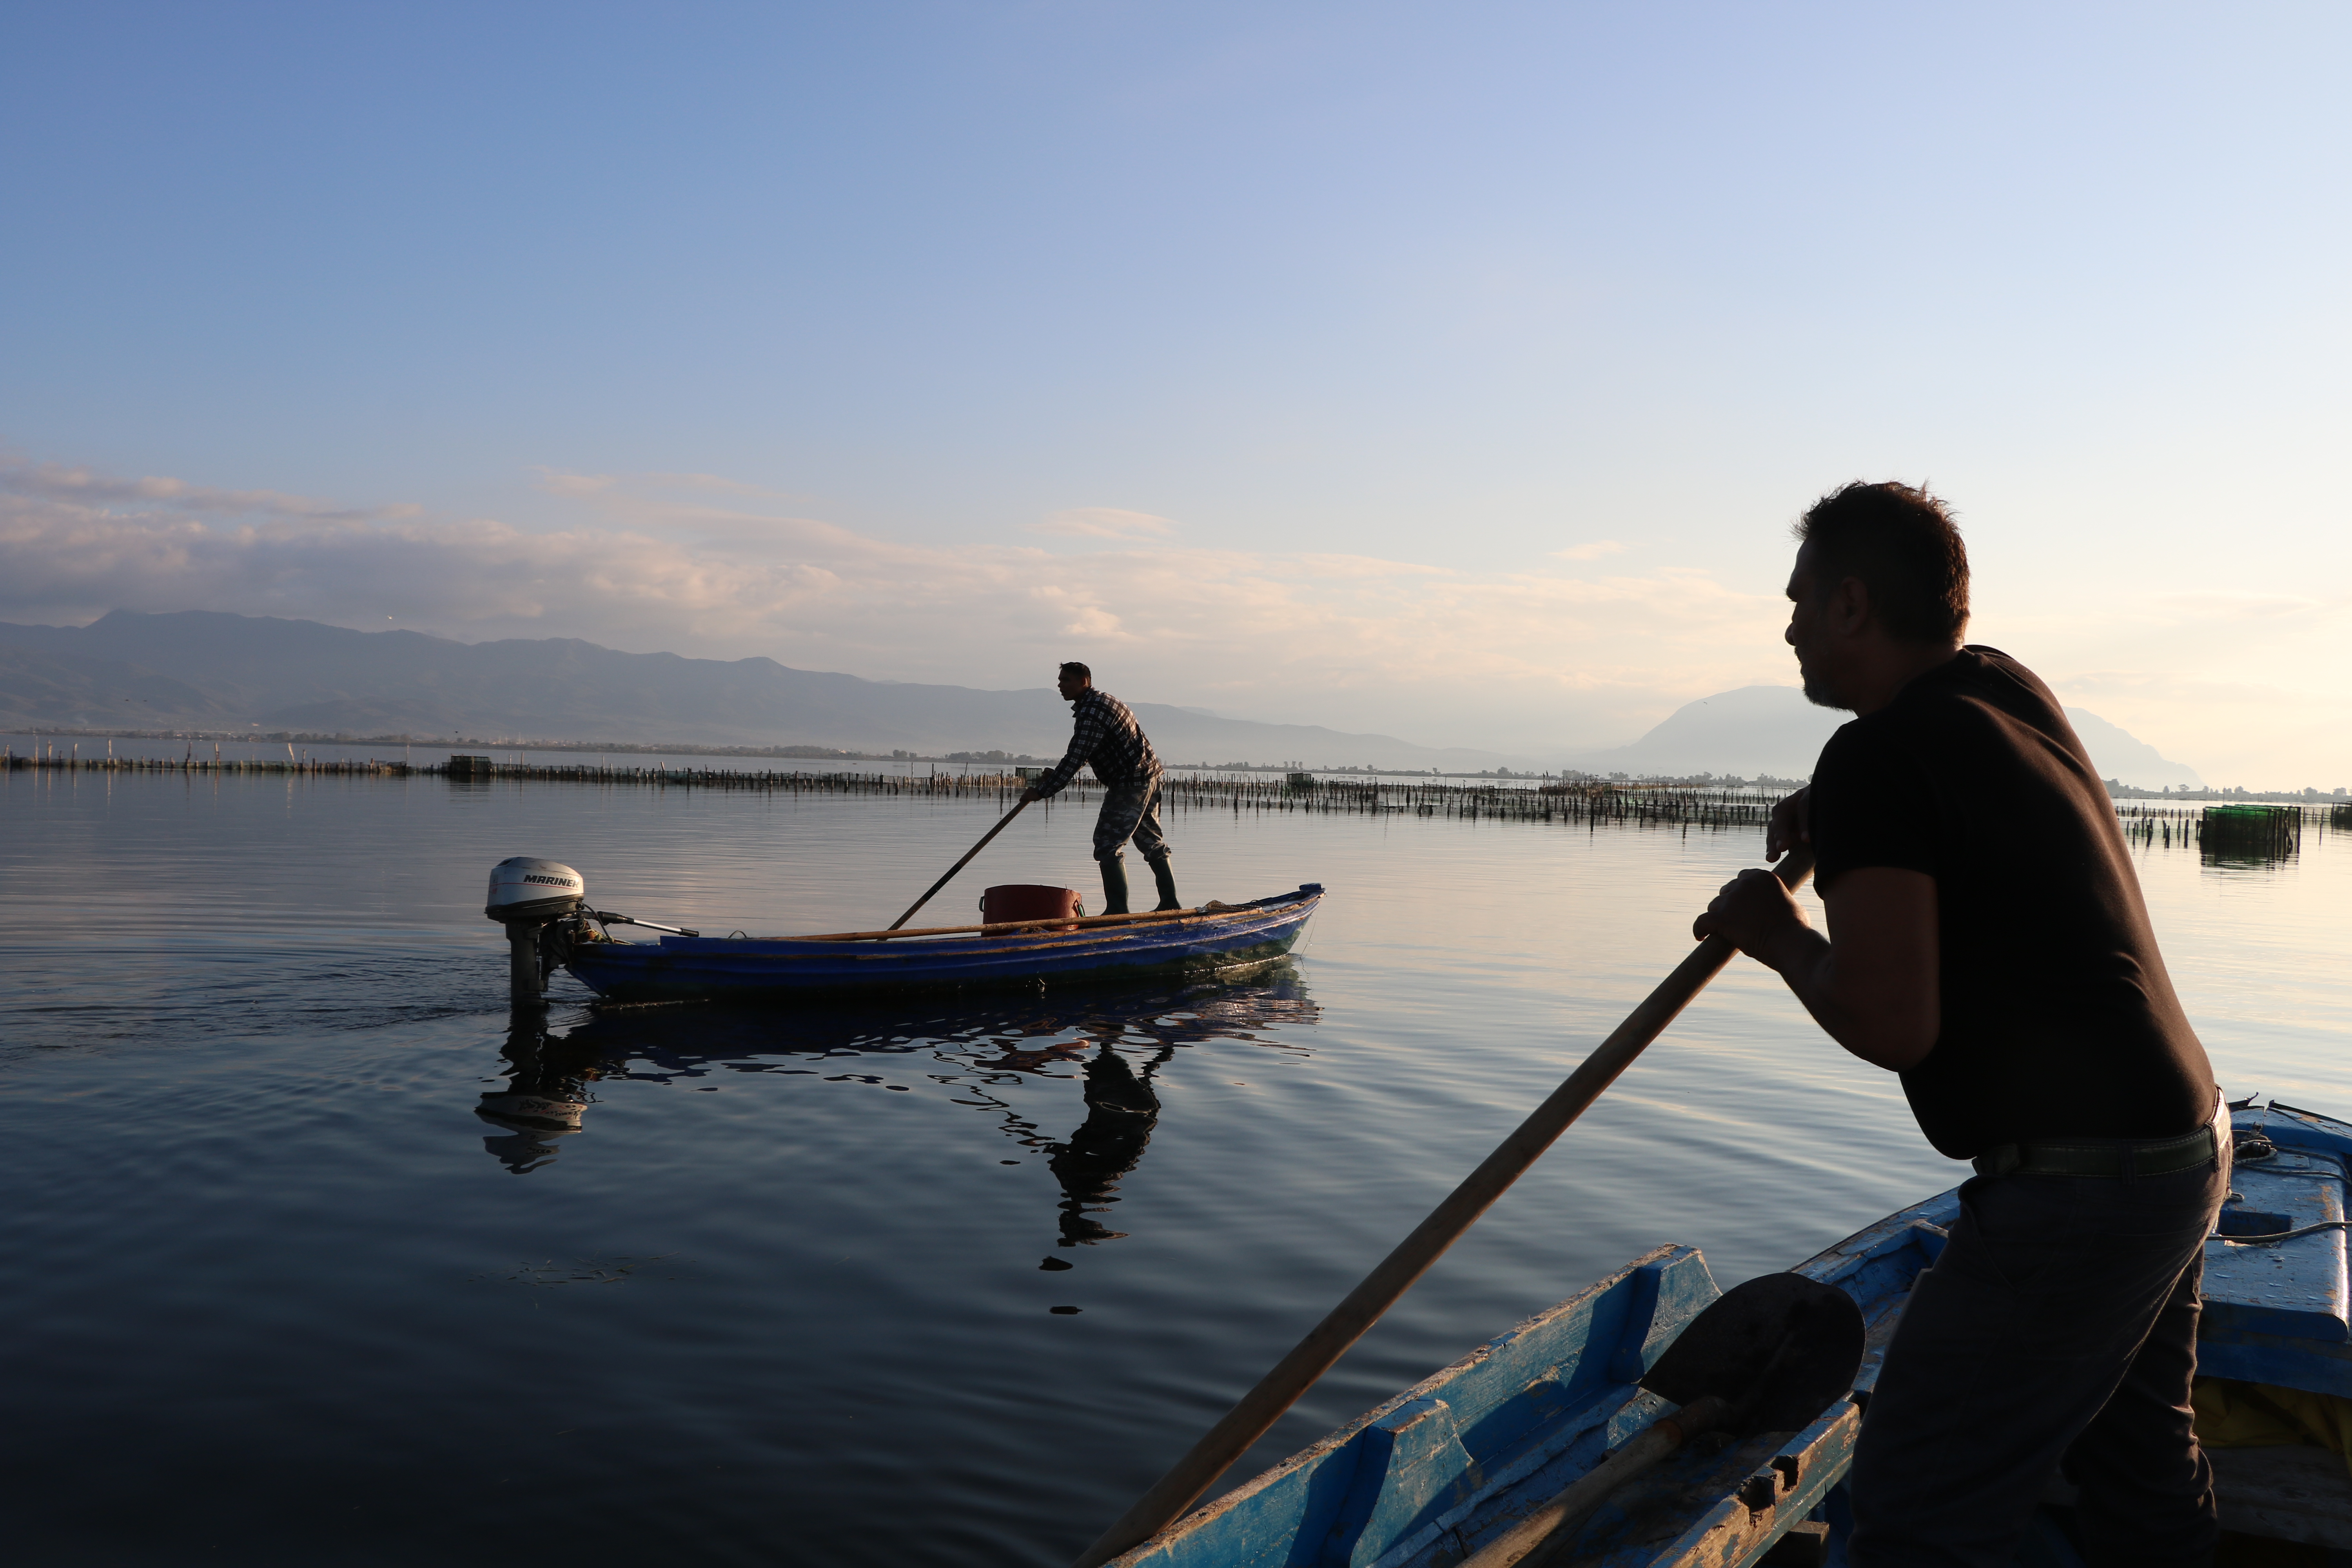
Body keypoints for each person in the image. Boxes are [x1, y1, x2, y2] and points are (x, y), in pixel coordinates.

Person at [1693, 482, 2223, 1567]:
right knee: (2140, 1475)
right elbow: (1953, 797)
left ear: (1850, 605)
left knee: (1916, 1506)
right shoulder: (2001, 691)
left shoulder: (1879, 761)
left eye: (1797, 602)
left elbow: (1895, 1023)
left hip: (2082, 1192)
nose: (1786, 626)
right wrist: (1832, 811)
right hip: (2182, 1150)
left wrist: (1776, 931)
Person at [1021, 663, 1180, 916]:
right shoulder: (1102, 702)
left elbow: (1076, 756)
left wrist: (1042, 792)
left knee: (1107, 846)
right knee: (1151, 842)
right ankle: (1171, 904)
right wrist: (1055, 777)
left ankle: (1118, 911)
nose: (1061, 685)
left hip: (1131, 783)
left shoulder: (1094, 711)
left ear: (1084, 682)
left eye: (1067, 680)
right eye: (1060, 680)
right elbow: (1085, 754)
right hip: (1148, 776)